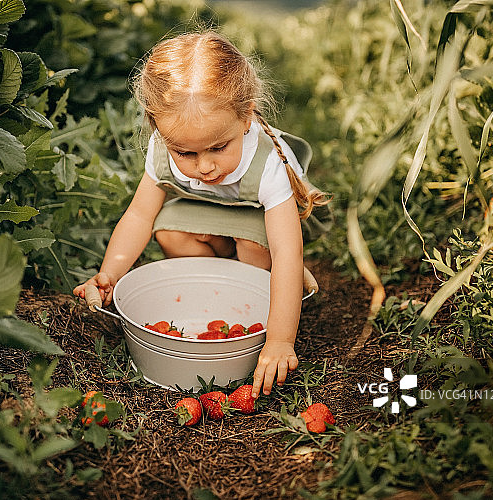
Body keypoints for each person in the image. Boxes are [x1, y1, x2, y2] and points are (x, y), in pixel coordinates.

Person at [73, 30, 330, 398]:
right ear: (156, 127)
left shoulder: (268, 164)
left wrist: (280, 341)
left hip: (257, 218)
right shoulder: (164, 146)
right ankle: (221, 286)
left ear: (246, 117)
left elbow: (290, 251)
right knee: (168, 231)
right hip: (205, 212)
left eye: (218, 148)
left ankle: (257, 288)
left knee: (258, 247)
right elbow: (139, 216)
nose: (205, 167)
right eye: (186, 154)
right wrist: (111, 272)